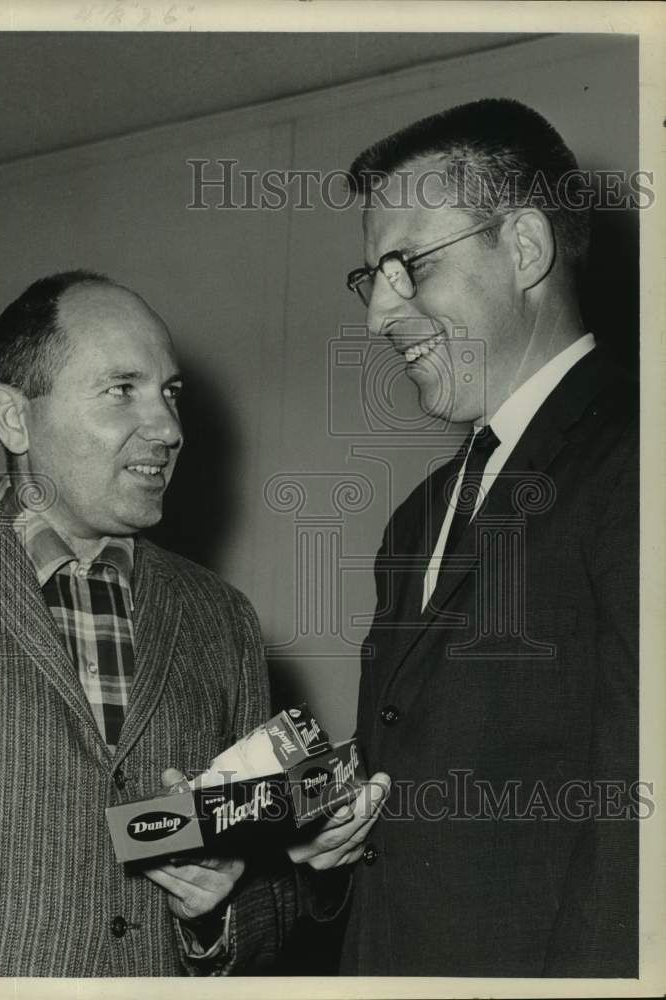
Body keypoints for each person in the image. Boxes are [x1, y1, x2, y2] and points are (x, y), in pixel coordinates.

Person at [296, 98, 639, 977]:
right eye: (371, 278)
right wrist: (330, 842)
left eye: (407, 267)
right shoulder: (418, 516)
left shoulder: (638, 454)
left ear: (523, 248)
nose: (378, 316)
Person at [0, 271, 364, 977]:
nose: (169, 429)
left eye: (170, 392)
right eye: (121, 389)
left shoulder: (221, 617)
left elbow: (274, 899)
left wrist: (217, 910)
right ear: (14, 418)